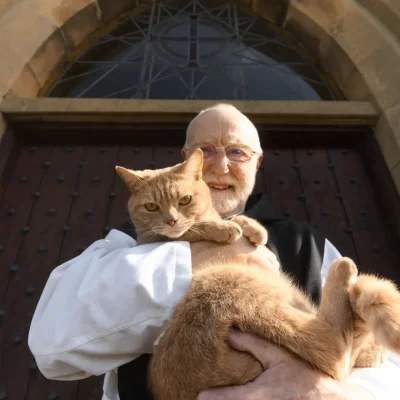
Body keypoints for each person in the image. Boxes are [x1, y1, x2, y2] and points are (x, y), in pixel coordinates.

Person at [28, 104, 400, 400]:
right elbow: (51, 346)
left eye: (237, 152)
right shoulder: (125, 242)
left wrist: (344, 394)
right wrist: (195, 259)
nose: (220, 165)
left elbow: (388, 361)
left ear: (257, 162)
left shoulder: (309, 244)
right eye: (205, 151)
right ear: (184, 160)